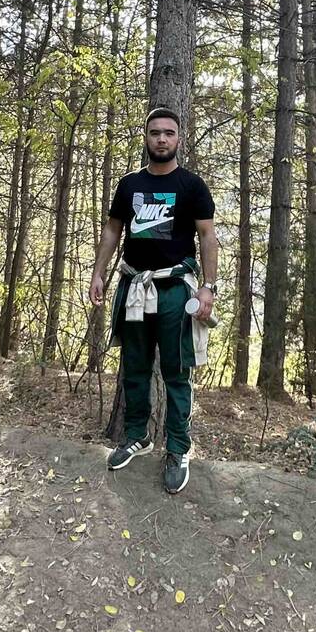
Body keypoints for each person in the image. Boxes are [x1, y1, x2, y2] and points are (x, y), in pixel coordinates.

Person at [88, 107, 219, 495]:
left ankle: (178, 448)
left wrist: (209, 287)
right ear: (145, 137)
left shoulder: (192, 186)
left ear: (179, 138)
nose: (162, 139)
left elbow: (208, 237)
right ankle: (136, 436)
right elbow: (113, 230)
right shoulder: (129, 185)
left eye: (169, 133)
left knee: (177, 371)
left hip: (175, 289)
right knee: (135, 367)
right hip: (133, 287)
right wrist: (98, 272)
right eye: (155, 132)